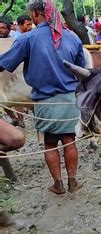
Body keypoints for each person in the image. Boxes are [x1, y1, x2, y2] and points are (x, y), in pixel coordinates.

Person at [0, 0, 85, 194]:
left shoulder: (27, 39)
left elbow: (4, 64)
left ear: (36, 13)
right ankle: (73, 182)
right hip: (69, 99)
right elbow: (82, 70)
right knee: (70, 140)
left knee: (50, 143)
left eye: (31, 12)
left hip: (45, 100)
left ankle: (58, 184)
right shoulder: (72, 37)